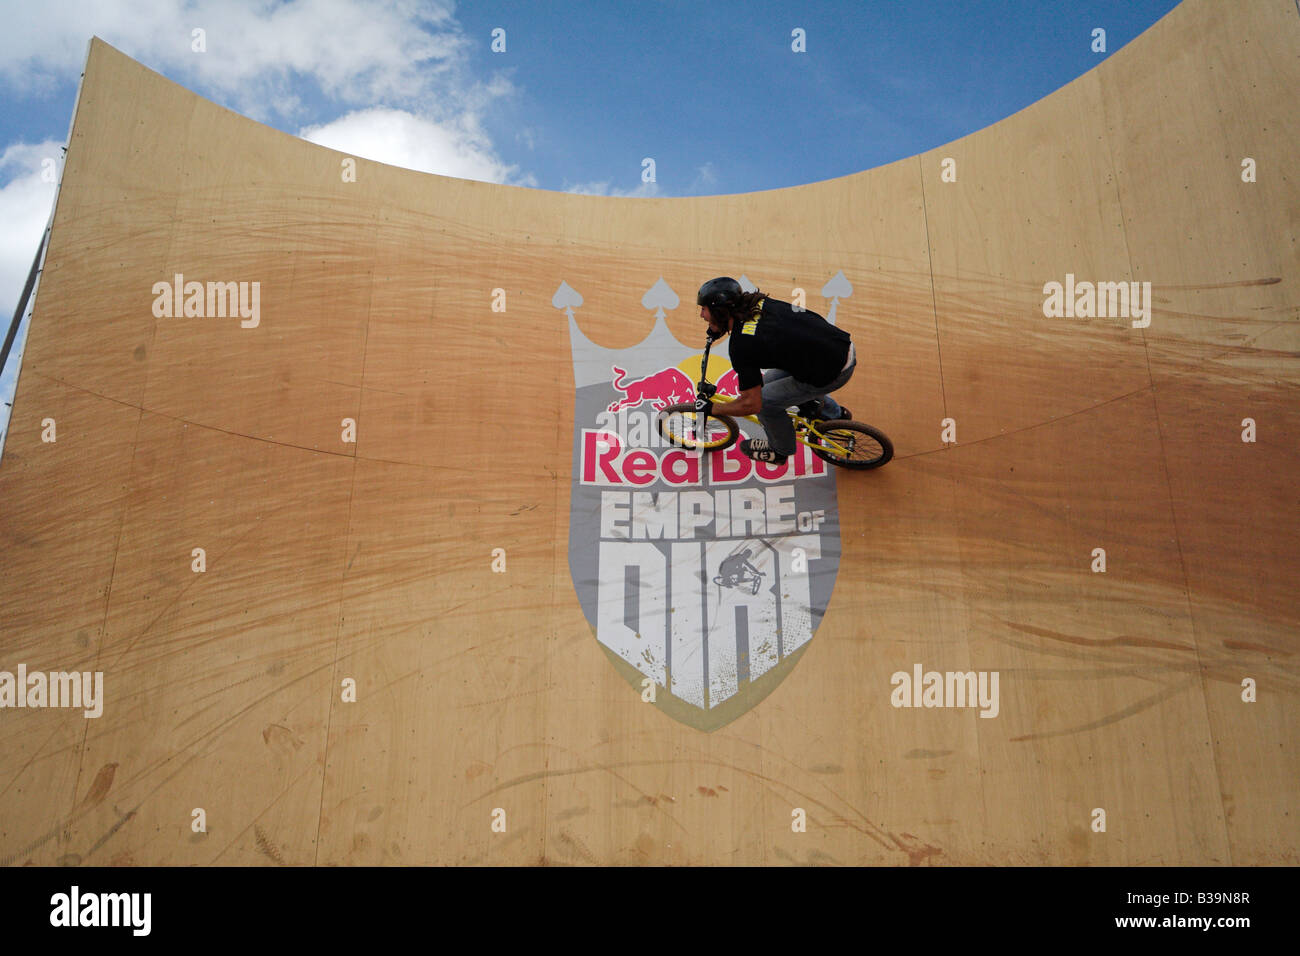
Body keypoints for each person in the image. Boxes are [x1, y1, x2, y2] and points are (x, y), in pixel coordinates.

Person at [693, 276, 855, 464]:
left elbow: (752, 404)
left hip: (833, 371)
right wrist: (719, 326)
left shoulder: (741, 346)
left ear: (720, 312)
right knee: (769, 381)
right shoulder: (759, 302)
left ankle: (780, 450)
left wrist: (714, 408)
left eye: (704, 309)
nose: (702, 315)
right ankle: (834, 415)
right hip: (839, 347)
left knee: (766, 404)